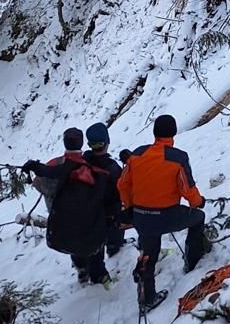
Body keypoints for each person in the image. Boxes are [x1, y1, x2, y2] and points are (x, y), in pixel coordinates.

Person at [119, 114, 208, 313]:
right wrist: (198, 202)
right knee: (198, 219)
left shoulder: (137, 155)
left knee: (149, 251)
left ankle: (147, 297)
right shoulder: (178, 157)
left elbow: (122, 184)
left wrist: (130, 206)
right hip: (167, 215)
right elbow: (187, 188)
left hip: (141, 215)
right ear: (173, 133)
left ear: (154, 132)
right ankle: (192, 261)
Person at [22, 128, 119, 285]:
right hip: (91, 219)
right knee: (92, 245)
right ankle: (99, 276)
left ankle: (81, 269)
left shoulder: (58, 165)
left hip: (63, 218)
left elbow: (43, 181)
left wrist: (34, 167)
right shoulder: (99, 169)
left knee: (73, 240)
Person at [84, 122, 126, 257]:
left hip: (88, 213)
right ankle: (114, 245)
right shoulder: (112, 168)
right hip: (108, 216)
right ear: (107, 142)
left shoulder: (82, 162)